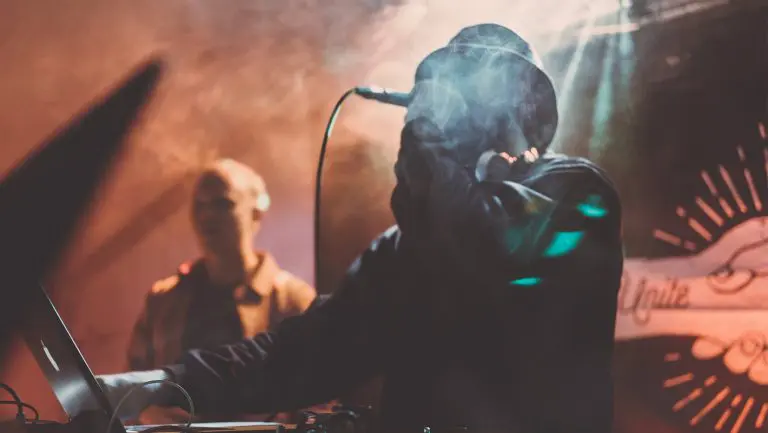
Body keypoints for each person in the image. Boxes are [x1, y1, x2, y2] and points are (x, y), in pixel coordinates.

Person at [99, 24, 623, 433]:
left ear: (520, 105)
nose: (447, 105)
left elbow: (472, 241)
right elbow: (304, 353)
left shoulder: (575, 196)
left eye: (465, 87)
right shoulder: (407, 247)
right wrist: (161, 383)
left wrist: (424, 133)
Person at [126, 158, 318, 423]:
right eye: (199, 205)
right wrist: (154, 414)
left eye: (223, 204)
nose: (207, 216)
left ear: (256, 213)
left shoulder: (293, 301)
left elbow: (317, 401)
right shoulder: (164, 300)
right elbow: (131, 392)